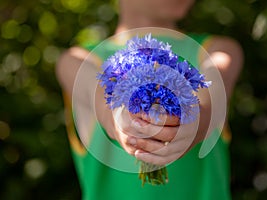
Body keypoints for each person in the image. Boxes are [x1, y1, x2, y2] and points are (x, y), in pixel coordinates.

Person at [56, 0, 243, 199]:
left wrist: (198, 121)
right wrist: (118, 120)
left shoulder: (217, 50)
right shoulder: (78, 60)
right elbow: (101, 101)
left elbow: (211, 103)